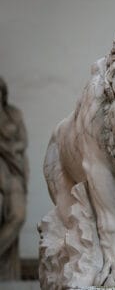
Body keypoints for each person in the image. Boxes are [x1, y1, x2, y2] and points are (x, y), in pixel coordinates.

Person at [0, 76, 28, 280]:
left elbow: (22, 142)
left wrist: (8, 148)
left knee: (18, 215)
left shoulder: (13, 114)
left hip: (14, 169)